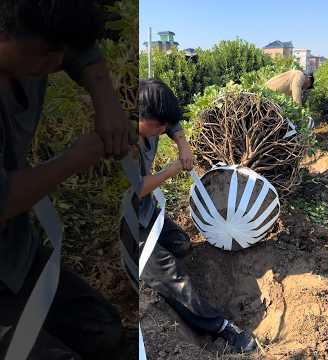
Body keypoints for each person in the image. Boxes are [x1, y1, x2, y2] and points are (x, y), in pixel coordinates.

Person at [0, 1, 133, 359]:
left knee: (106, 331)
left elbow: (80, 52)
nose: (54, 65)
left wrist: (107, 102)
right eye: (46, 55)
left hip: (16, 254)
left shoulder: (34, 48)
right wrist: (73, 159)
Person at [120, 79, 257, 354]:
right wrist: (172, 169)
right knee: (172, 275)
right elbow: (139, 187)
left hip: (147, 212)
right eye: (158, 127)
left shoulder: (151, 113)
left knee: (181, 244)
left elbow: (170, 124)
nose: (162, 131)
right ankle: (220, 327)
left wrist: (182, 143)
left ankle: (152, 273)